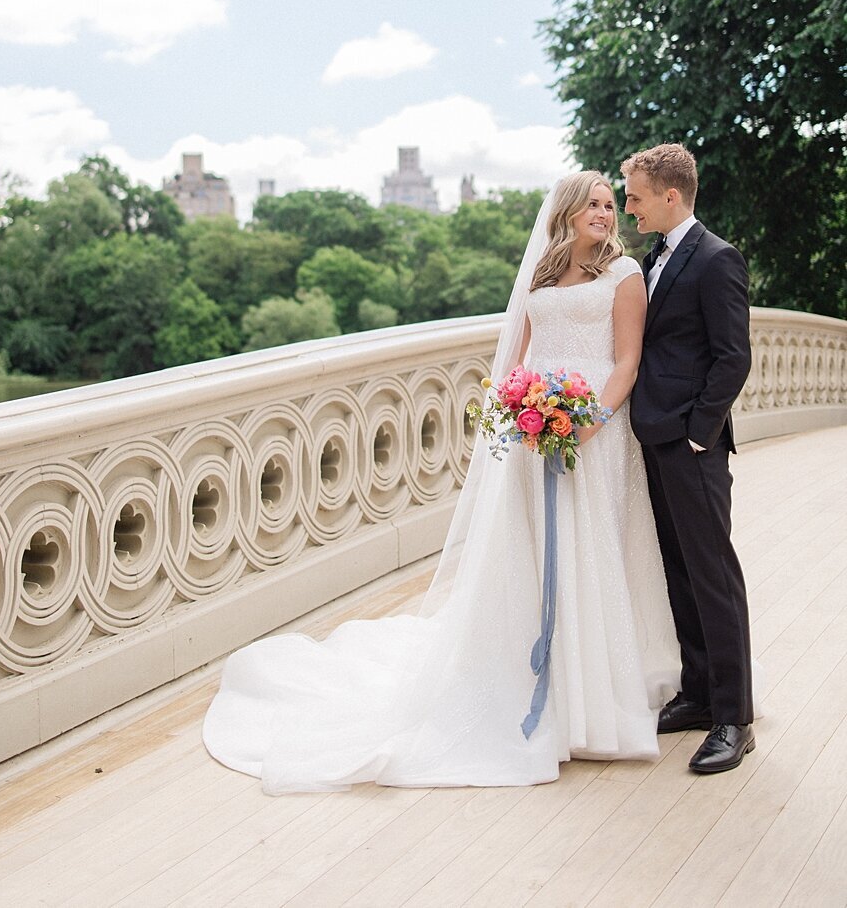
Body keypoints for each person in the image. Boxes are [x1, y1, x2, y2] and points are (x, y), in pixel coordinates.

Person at [202, 171, 680, 792]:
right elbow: (516, 358)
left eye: (611, 205)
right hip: (537, 427)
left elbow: (627, 360)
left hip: (597, 430)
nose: (605, 213)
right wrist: (516, 407)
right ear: (565, 211)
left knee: (593, 549)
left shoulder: (623, 274)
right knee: (535, 549)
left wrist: (592, 421)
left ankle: (595, 693)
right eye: (592, 203)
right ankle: (528, 674)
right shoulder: (540, 275)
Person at [622, 144, 755, 775]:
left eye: (635, 196)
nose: (629, 207)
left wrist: (700, 433)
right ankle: (699, 694)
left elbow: (733, 357)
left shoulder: (716, 258)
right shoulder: (656, 257)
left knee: (714, 577)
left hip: (691, 446)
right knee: (679, 572)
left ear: (670, 195)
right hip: (654, 438)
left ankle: (734, 717)